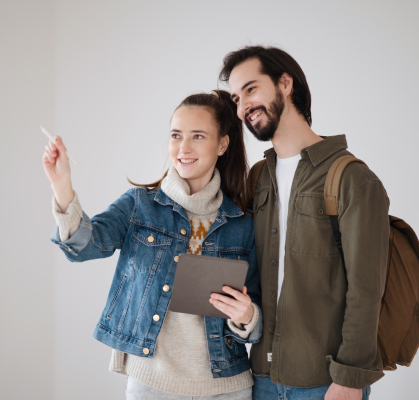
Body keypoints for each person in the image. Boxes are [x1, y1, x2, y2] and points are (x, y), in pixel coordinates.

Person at [42, 90, 263, 399]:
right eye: (176, 135)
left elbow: (258, 315)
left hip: (228, 387)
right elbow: (85, 245)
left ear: (222, 144)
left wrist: (247, 316)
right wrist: (62, 184)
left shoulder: (244, 222)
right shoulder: (139, 206)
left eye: (198, 136)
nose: (183, 147)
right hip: (152, 384)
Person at [219, 46, 390, 400]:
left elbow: (367, 291)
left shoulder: (351, 178)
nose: (243, 106)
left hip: (325, 382)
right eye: (236, 98)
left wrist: (349, 380)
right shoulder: (259, 177)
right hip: (261, 377)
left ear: (285, 83)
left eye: (251, 89)